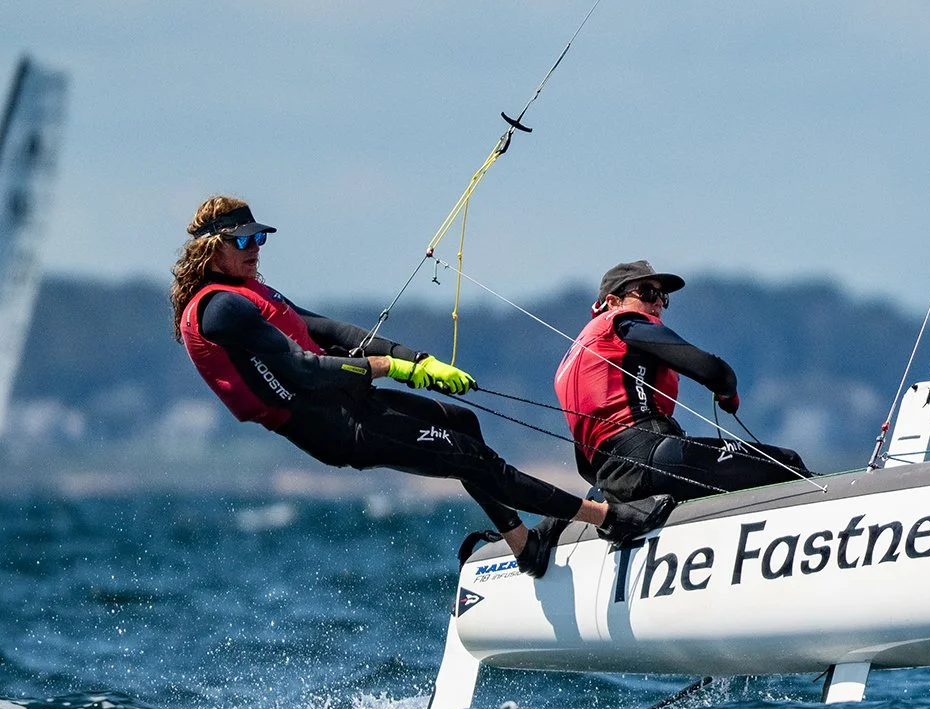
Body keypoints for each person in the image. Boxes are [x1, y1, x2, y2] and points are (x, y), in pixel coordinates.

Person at [173, 195, 673, 576]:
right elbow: (301, 368)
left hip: (349, 400)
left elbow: (329, 331)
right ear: (212, 252)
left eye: (259, 239)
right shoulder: (220, 309)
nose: (255, 249)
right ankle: (606, 517)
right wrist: (386, 369)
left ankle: (524, 544)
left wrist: (418, 361)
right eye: (242, 242)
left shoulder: (249, 292)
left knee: (463, 421)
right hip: (335, 426)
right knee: (472, 458)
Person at [556, 260, 811, 504]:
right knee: (788, 463)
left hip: (614, 482)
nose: (657, 302)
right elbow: (712, 370)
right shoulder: (623, 324)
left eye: (663, 296)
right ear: (612, 301)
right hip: (654, 458)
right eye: (646, 293)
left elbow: (586, 466)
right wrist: (727, 390)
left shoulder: (574, 360)